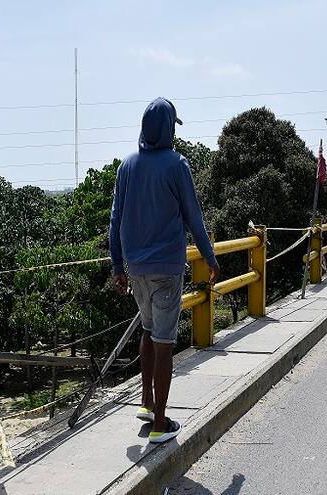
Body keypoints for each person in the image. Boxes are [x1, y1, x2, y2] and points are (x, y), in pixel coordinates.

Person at [109, 97, 220, 444]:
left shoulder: (127, 166)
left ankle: (146, 402)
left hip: (136, 268)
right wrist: (211, 258)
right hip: (167, 269)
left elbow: (115, 219)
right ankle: (159, 422)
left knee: (148, 330)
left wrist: (117, 265)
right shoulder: (177, 165)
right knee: (164, 343)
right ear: (169, 128)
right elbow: (194, 217)